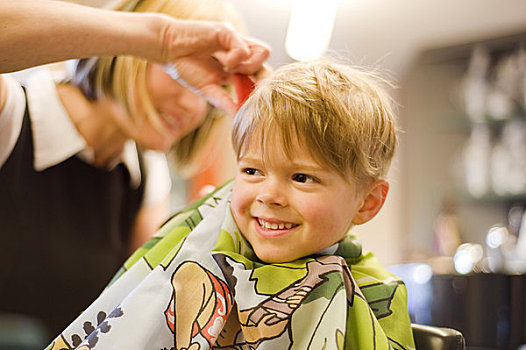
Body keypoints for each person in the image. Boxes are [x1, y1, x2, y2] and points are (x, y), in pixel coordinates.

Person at [47, 59, 415, 350]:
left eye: (302, 177)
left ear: (367, 202)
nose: (268, 195)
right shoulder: (203, 244)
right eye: (252, 170)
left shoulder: (372, 294)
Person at [0, 0, 270, 340]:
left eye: (210, 91)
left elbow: (143, 308)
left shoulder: (146, 176)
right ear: (131, 52)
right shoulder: (11, 116)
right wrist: (164, 38)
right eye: (184, 77)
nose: (193, 107)